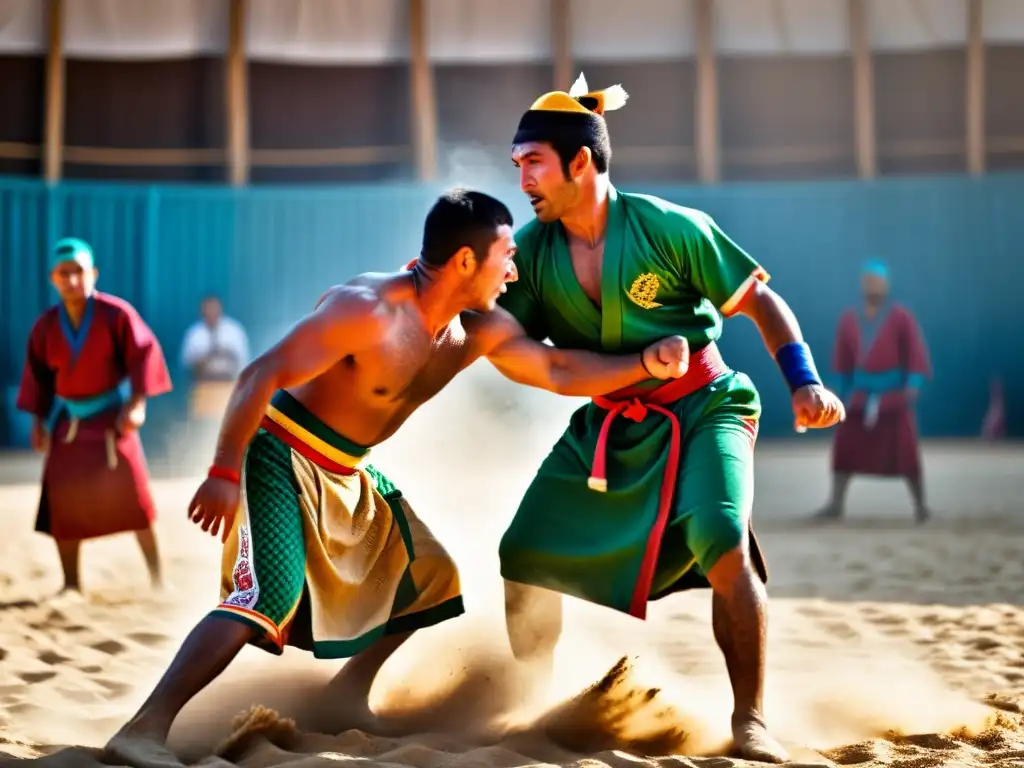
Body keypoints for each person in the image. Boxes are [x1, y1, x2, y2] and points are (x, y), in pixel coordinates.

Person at [103, 189, 690, 768]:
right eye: (506, 255)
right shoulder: (367, 309)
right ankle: (143, 727)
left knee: (431, 575)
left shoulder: (476, 329)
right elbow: (262, 372)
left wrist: (642, 364)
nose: (513, 270)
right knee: (265, 597)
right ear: (466, 261)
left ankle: (347, 693)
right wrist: (224, 470)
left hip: (349, 469)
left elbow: (557, 367)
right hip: (279, 454)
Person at [495, 74, 846, 763]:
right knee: (522, 553)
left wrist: (804, 383)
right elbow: (505, 340)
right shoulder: (531, 254)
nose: (523, 177)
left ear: (581, 162)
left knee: (720, 536)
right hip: (610, 421)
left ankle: (751, 719)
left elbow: (760, 303)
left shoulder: (669, 227)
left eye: (533, 161)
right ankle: (533, 700)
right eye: (517, 164)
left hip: (705, 404)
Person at [16, 237, 173, 594]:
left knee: (134, 499)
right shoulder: (45, 327)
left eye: (78, 271)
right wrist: (38, 421)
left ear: (94, 273)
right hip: (68, 425)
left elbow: (143, 355)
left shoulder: (116, 314)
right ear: (52, 279)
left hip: (112, 421)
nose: (71, 280)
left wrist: (137, 403)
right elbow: (37, 376)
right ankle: (71, 584)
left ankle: (158, 580)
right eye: (63, 273)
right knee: (63, 503)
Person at [814, 259, 932, 523]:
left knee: (906, 451)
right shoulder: (849, 319)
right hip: (858, 396)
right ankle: (835, 504)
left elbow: (914, 353)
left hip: (892, 397)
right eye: (868, 282)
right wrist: (835, 390)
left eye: (878, 282)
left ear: (886, 286)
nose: (873, 287)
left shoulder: (901, 317)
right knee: (845, 447)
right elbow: (842, 360)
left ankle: (921, 506)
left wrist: (913, 383)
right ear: (862, 285)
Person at [180, 294, 250, 421]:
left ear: (220, 309)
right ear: (202, 311)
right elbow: (187, 363)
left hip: (228, 389)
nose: (211, 312)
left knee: (227, 422)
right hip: (203, 389)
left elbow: (243, 362)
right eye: (207, 308)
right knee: (202, 425)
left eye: (214, 308)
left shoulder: (234, 331)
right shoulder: (195, 334)